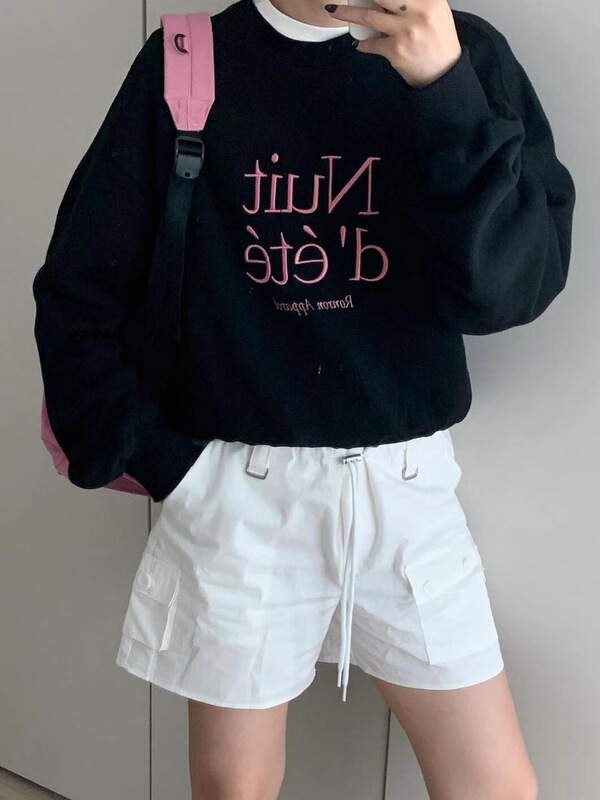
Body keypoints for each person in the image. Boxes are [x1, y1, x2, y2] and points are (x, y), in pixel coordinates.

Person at [32, 0, 575, 797]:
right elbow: (79, 293)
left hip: (408, 495)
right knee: (235, 789)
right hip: (236, 496)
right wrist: (175, 470)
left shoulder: (468, 55)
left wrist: (445, 88)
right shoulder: (190, 59)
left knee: (494, 788)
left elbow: (509, 290)